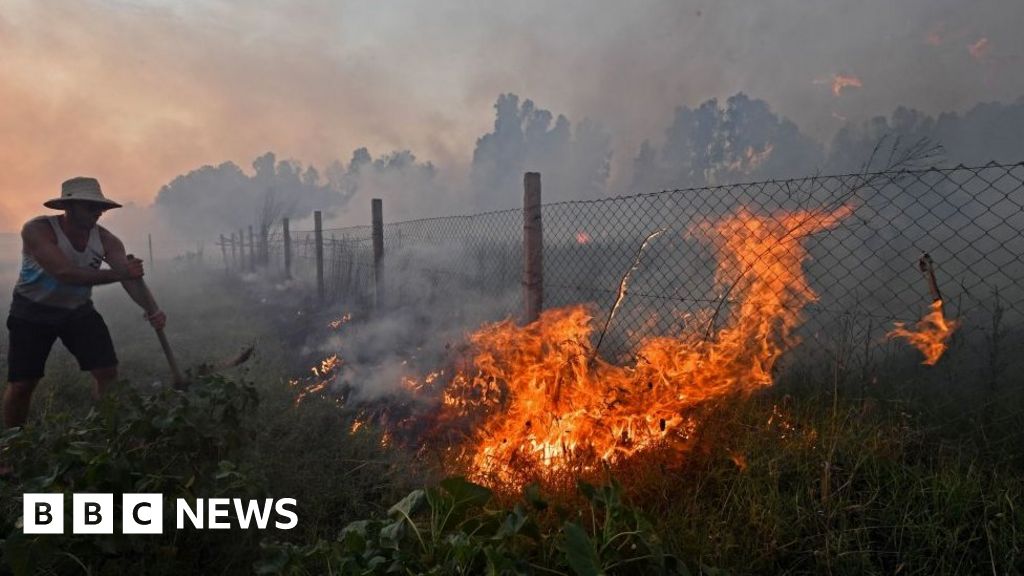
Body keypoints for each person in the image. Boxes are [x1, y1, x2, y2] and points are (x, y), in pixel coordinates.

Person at [3, 177, 167, 429]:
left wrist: (152, 309)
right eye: (90, 207)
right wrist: (123, 272)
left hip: (77, 311)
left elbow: (131, 280)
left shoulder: (107, 241)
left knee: (107, 372)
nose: (98, 212)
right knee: (23, 383)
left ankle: (110, 432)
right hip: (31, 311)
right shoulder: (38, 230)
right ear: (69, 207)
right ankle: (10, 449)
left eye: (99, 207)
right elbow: (64, 273)